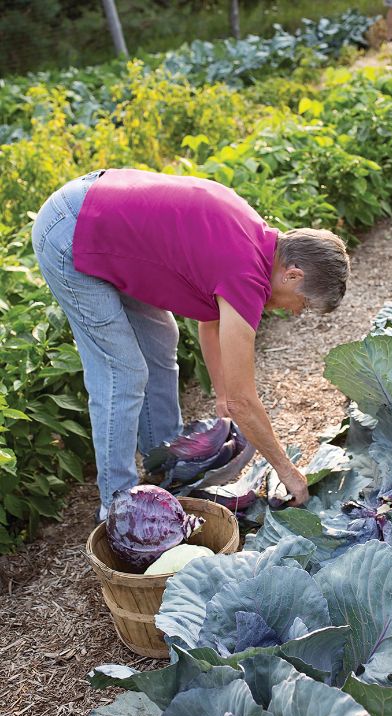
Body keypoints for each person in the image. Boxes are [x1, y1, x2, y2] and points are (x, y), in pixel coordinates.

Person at [31, 169, 350, 521]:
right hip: (70, 232)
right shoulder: (246, 275)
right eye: (302, 303)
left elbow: (210, 323)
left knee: (162, 335)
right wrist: (286, 470)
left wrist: (220, 395)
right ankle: (117, 507)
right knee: (122, 371)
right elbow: (244, 400)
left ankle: (164, 458)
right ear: (293, 275)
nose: (294, 311)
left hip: (96, 216)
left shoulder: (257, 243)